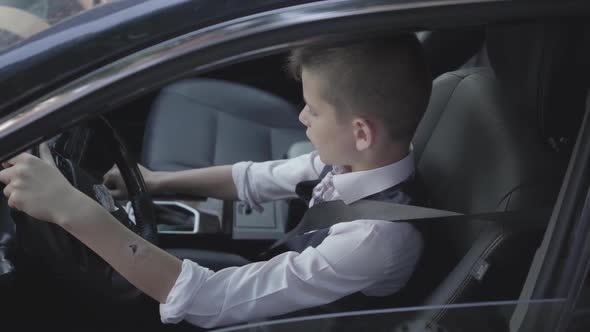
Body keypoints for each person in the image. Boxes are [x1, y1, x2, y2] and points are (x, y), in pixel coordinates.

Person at [0, 33, 432, 329]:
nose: (302, 118)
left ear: (361, 132)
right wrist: (155, 181)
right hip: (282, 279)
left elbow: (208, 302)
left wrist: (73, 211)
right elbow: (254, 179)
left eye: (313, 111)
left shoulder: (373, 238)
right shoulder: (353, 163)